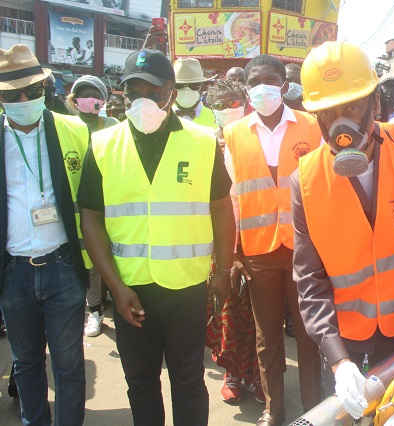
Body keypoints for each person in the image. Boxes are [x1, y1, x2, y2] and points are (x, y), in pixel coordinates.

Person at [78, 48, 235, 426]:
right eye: (135, 92)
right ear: (124, 94)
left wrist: (224, 271)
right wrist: (115, 288)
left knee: (188, 379)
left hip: (186, 287)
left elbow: (221, 209)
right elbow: (91, 219)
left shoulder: (201, 142)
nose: (144, 101)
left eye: (154, 92)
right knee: (140, 382)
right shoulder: (102, 145)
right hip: (131, 289)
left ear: (172, 92)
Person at [294, 41, 394, 420]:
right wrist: (338, 362)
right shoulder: (304, 180)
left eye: (352, 106)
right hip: (344, 336)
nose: (341, 123)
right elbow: (309, 279)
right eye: (327, 112)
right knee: (346, 414)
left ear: (375, 103)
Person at [224, 54, 322, 426]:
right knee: (268, 339)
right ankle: (273, 410)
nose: (261, 86)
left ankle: (314, 410)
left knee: (309, 335)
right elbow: (233, 197)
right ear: (246, 87)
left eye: (270, 78)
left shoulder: (311, 127)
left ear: (284, 84)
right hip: (258, 251)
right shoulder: (234, 133)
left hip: (304, 249)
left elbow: (324, 188)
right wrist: (233, 252)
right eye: (254, 80)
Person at [0, 44, 91, 426]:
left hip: (62, 265)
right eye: (12, 95)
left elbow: (91, 200)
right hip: (12, 271)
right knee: (26, 362)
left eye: (32, 92)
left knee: (69, 364)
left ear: (45, 90)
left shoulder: (73, 128)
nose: (23, 100)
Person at [204, 78, 264, 404]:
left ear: (244, 103)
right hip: (221, 240)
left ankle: (257, 376)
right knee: (227, 310)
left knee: (258, 314)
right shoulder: (204, 144)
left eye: (234, 103)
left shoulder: (257, 138)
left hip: (258, 238)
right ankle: (232, 373)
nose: (229, 110)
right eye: (221, 104)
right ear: (211, 108)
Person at [67, 75, 119, 337]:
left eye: (94, 94)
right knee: (89, 259)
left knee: (111, 254)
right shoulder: (66, 126)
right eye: (83, 94)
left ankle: (117, 301)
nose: (89, 99)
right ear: (74, 99)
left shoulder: (111, 124)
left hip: (110, 200)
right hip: (79, 202)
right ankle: (95, 311)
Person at [172, 58, 216, 127]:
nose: (186, 90)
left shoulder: (215, 118)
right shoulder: (162, 117)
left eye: (194, 86)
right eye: (179, 86)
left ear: (202, 86)